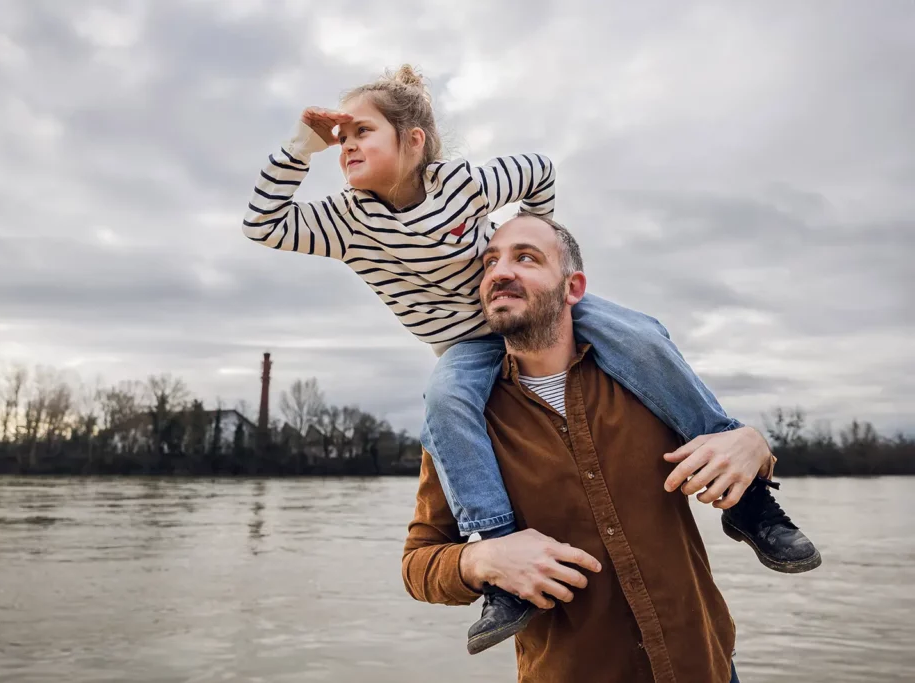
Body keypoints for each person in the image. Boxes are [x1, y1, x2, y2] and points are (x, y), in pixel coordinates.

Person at [242, 64, 819, 654]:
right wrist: (300, 148)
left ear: (413, 141)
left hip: (701, 662)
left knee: (643, 333)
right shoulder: (344, 222)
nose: (348, 147)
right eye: (343, 139)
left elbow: (539, 168)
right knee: (441, 393)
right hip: (467, 347)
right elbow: (261, 223)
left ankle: (750, 503)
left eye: (362, 132)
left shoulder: (464, 184)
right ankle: (499, 548)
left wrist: (533, 235)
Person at [403, 212, 760, 681]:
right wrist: (480, 559)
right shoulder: (461, 424)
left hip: (706, 667)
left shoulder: (647, 385)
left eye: (525, 257)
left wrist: (755, 444)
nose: (499, 272)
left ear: (573, 288)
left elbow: (731, 452)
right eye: (489, 263)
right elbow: (418, 563)